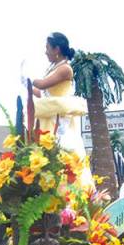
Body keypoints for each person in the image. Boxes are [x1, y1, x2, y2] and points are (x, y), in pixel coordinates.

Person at [29, 32, 91, 188]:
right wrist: (28, 88)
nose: (45, 52)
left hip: (60, 119)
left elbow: (42, 84)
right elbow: (43, 93)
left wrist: (29, 79)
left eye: (47, 48)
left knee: (63, 153)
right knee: (45, 155)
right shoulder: (53, 67)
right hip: (48, 117)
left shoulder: (65, 69)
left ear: (57, 49)